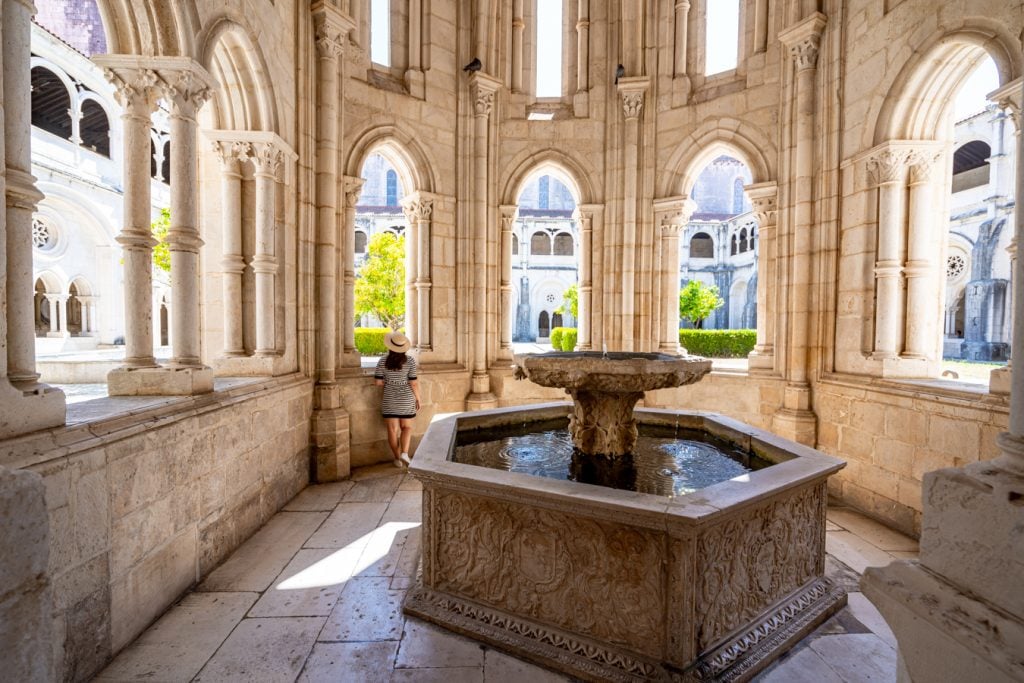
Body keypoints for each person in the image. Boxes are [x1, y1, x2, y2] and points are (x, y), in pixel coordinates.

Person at [374, 331, 421, 468]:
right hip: (406, 399)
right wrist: (418, 399)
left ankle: (397, 459)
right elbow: (413, 383)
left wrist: (389, 382)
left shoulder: (382, 361)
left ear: (390, 346)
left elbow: (377, 383)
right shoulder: (410, 361)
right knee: (406, 428)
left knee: (392, 430)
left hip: (389, 399)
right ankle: (405, 453)